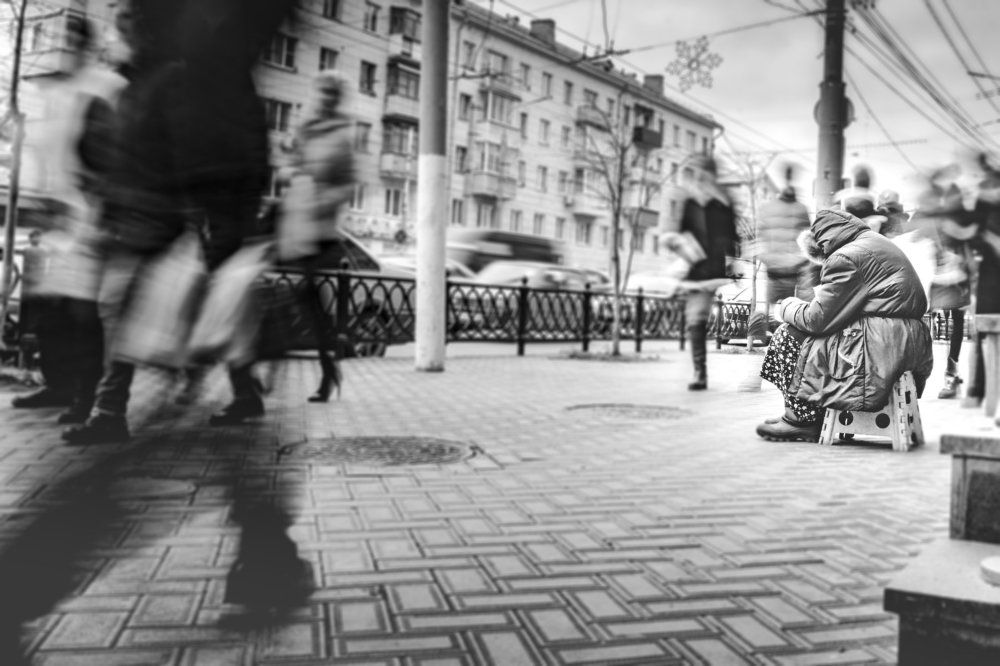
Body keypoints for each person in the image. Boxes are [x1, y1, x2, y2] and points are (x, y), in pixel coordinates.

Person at [11, 17, 123, 418]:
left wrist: (99, 202)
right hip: (59, 215)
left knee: (83, 313)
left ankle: (84, 396)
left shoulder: (105, 86)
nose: (67, 48)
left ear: (87, 46)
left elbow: (109, 153)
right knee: (49, 310)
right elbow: (48, 152)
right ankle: (58, 385)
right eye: (64, 39)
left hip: (92, 215)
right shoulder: (60, 91)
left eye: (74, 41)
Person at [755, 208, 934, 442]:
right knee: (808, 339)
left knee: (788, 334)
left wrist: (786, 306)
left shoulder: (846, 257)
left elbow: (817, 319)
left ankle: (800, 419)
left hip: (879, 347)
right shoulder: (873, 243)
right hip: (903, 343)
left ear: (821, 244)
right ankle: (809, 414)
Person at [276, 70, 356, 402]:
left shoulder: (341, 137)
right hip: (294, 223)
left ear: (337, 100)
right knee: (294, 299)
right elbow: (286, 167)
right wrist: (291, 174)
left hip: (320, 232)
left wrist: (322, 199)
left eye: (331, 94)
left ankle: (327, 370)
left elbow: (348, 184)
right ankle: (325, 367)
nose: (324, 98)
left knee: (308, 302)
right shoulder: (303, 129)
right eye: (321, 92)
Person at [911, 165, 973, 399]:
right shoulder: (931, 215)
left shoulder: (958, 218)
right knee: (930, 324)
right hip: (936, 279)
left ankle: (950, 374)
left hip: (954, 280)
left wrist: (961, 260)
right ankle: (929, 373)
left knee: (953, 325)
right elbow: (915, 235)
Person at [677, 155, 739, 391]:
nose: (699, 178)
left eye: (703, 173)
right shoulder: (690, 202)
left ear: (711, 175)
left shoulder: (722, 203)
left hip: (711, 268)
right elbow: (682, 233)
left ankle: (700, 373)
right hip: (694, 267)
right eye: (697, 173)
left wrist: (731, 262)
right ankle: (699, 372)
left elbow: (732, 237)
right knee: (696, 319)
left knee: (697, 317)